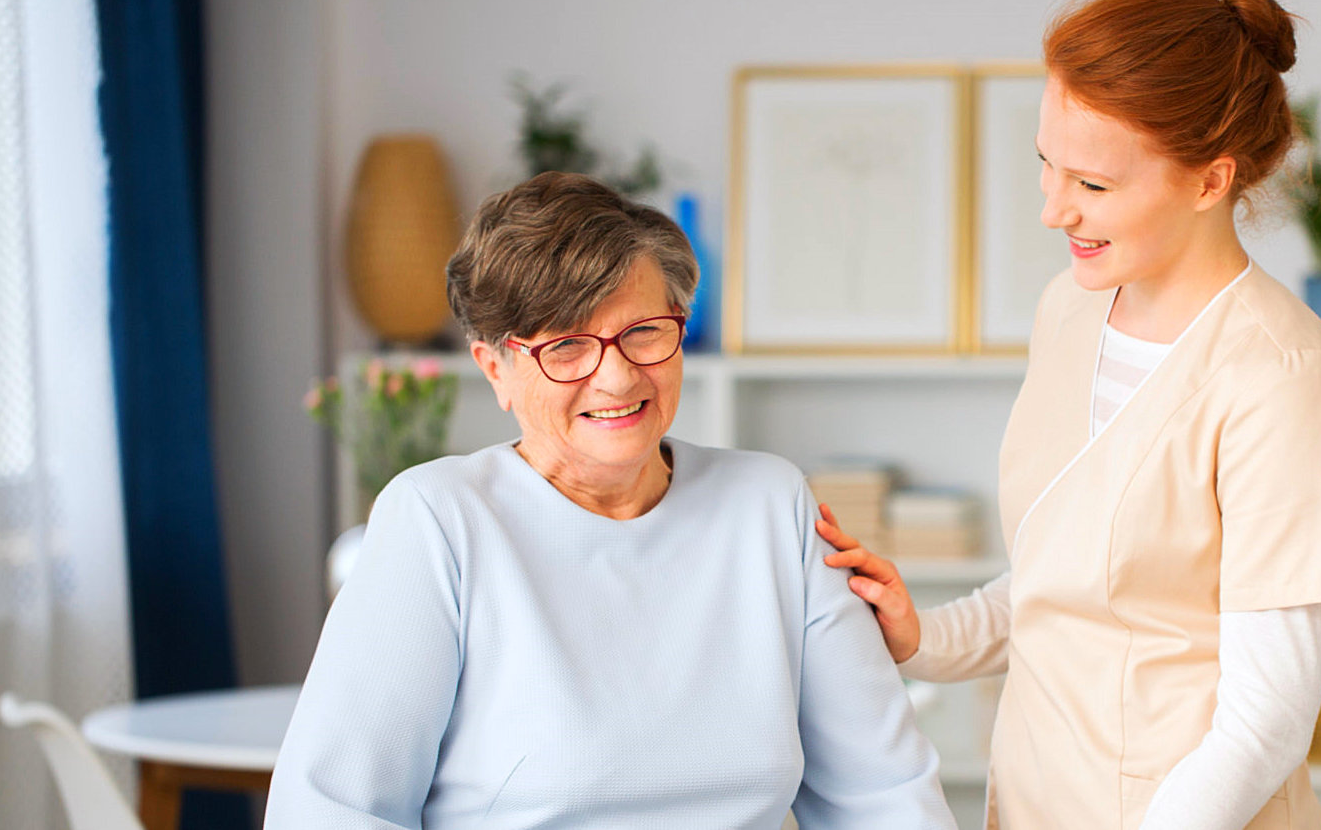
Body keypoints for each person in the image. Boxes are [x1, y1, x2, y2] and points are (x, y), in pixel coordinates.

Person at [819, 0, 1321, 828]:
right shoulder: (1069, 311)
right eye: (1047, 163)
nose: (1053, 207)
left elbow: (1268, 723)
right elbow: (1064, 581)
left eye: (1093, 182)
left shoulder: (1279, 375)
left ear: (1210, 180)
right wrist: (921, 634)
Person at [266, 172, 954, 829]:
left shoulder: (772, 505)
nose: (618, 377)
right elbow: (333, 811)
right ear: (495, 370)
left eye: (644, 332)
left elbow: (882, 791)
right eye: (567, 346)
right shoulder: (438, 522)